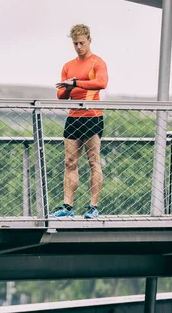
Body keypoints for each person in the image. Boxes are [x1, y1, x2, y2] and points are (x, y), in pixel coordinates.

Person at [51, 24, 108, 219]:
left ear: (89, 40)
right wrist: (68, 87)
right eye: (75, 43)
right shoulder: (68, 65)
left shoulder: (97, 62)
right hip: (73, 117)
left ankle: (93, 207)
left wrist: (76, 83)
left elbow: (102, 83)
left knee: (93, 161)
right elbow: (61, 95)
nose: (78, 47)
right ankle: (67, 207)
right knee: (70, 161)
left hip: (92, 116)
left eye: (81, 43)